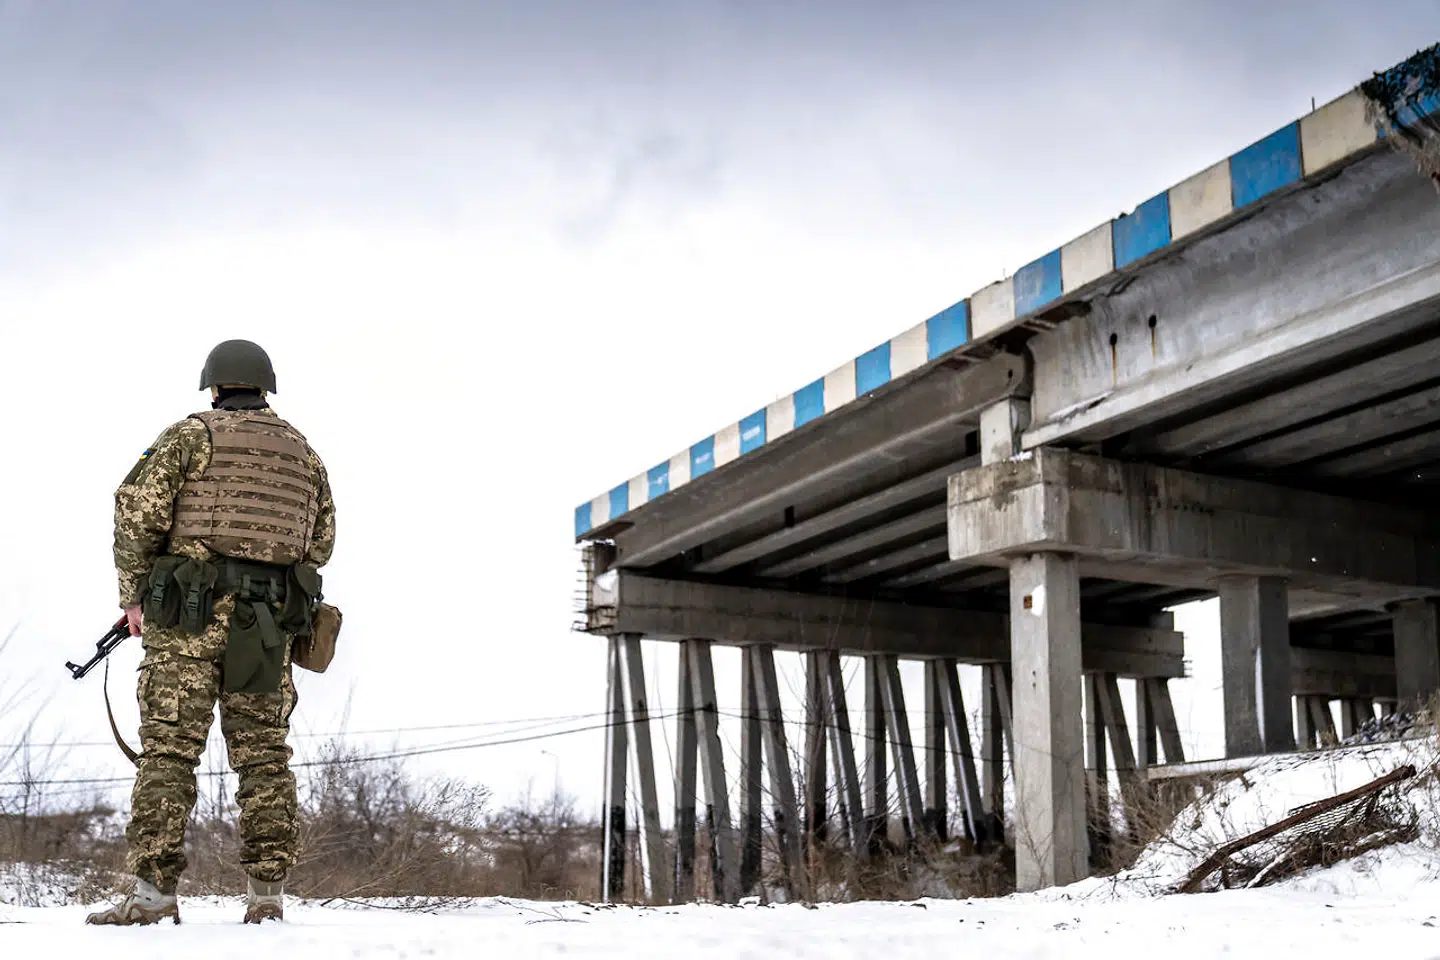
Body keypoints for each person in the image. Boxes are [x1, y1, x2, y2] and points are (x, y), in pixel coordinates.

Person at [86, 339, 336, 926]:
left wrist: (133, 597)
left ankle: (152, 897)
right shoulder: (305, 454)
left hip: (185, 620)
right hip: (266, 625)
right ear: (264, 387)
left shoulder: (189, 436)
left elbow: (135, 511)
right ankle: (267, 898)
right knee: (264, 757)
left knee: (169, 753)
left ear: (216, 386)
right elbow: (321, 542)